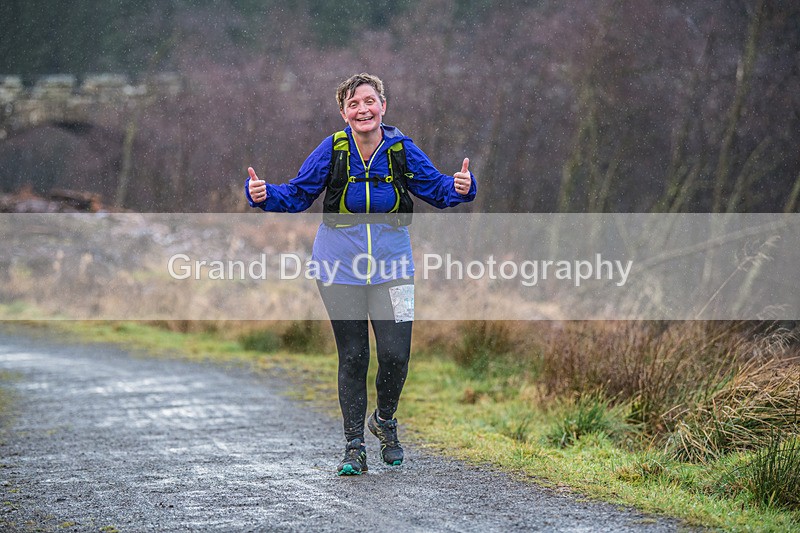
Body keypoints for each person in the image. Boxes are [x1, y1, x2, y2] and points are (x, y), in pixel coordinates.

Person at [245, 73, 476, 475]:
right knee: (353, 356)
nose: (363, 109)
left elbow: (439, 190)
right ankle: (354, 447)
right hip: (338, 267)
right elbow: (298, 194)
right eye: (353, 104)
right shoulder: (332, 150)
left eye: (369, 101)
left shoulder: (401, 150)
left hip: (393, 268)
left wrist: (462, 187)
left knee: (395, 355)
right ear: (344, 113)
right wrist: (264, 196)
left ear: (383, 106)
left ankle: (384, 422)